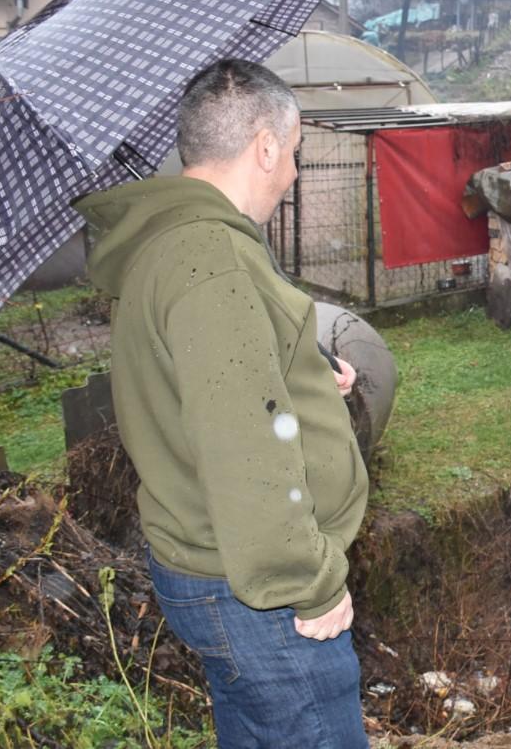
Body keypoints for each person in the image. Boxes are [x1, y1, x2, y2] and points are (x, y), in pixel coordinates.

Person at [75, 59, 370, 748]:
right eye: (293, 153)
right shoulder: (210, 260)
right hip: (261, 592)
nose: (293, 173)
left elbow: (210, 386)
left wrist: (300, 371)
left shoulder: (175, 243)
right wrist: (312, 582)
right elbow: (247, 453)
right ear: (265, 146)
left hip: (212, 569)